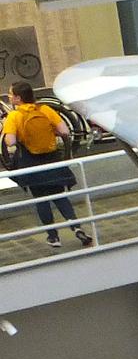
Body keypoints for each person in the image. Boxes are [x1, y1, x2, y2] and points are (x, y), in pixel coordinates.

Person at [2, 81, 90, 248]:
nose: (9, 97)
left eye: (11, 94)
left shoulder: (14, 116)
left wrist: (15, 136)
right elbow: (64, 131)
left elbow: (10, 141)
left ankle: (53, 237)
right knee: (60, 196)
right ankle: (76, 227)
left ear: (18, 98)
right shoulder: (45, 109)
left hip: (31, 162)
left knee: (41, 200)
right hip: (52, 160)